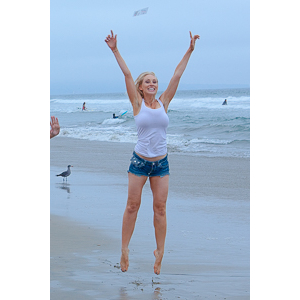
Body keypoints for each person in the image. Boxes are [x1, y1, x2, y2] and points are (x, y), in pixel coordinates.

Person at [105, 30, 200, 275]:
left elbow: (177, 75)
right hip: (139, 163)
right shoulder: (136, 104)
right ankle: (125, 249)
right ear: (139, 87)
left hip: (162, 164)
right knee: (132, 207)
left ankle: (160, 252)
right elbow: (126, 73)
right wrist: (115, 50)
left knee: (160, 209)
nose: (152, 84)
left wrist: (189, 50)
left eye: (154, 81)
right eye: (147, 81)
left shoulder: (164, 102)